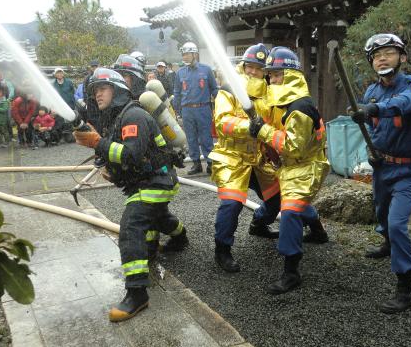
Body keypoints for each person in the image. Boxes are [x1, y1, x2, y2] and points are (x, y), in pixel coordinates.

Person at [73, 68, 188, 322]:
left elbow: (131, 155)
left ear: (117, 91)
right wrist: (110, 168)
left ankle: (137, 294)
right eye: (94, 91)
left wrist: (95, 142)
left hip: (156, 181)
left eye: (102, 89)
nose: (97, 94)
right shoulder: (118, 118)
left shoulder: (133, 115)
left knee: (131, 226)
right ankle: (179, 237)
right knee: (155, 216)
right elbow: (122, 156)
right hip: (146, 181)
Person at [350, 33, 411, 314]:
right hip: (382, 166)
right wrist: (372, 148)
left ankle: (405, 288)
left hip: (408, 169)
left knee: (397, 223)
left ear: (403, 57)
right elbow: (373, 126)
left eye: (388, 52)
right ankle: (388, 244)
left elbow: (404, 104)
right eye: (376, 55)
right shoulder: (371, 92)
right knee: (382, 214)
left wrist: (373, 109)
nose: (382, 58)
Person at [248, 47, 330, 294]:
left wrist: (262, 131)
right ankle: (318, 232)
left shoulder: (300, 108)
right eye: (270, 75)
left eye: (276, 75)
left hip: (306, 166)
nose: (271, 80)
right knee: (295, 203)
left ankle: (291, 271)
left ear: (290, 75)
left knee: (291, 211)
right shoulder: (283, 101)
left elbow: (293, 146)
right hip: (291, 165)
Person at [209, 44, 281, 272]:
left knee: (276, 199)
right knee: (232, 204)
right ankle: (222, 250)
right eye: (249, 67)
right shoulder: (228, 90)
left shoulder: (270, 95)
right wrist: (249, 126)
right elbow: (222, 122)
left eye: (258, 69)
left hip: (259, 158)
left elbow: (277, 123)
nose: (252, 72)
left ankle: (259, 224)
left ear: (266, 71)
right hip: (232, 157)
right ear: (243, 66)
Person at [172, 42, 218, 175]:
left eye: (187, 54)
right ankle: (196, 164)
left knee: (206, 137)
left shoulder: (206, 70)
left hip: (203, 108)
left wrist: (221, 105)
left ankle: (210, 163)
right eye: (183, 54)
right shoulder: (180, 73)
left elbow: (214, 89)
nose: (184, 57)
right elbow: (177, 92)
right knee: (191, 138)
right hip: (187, 110)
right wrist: (178, 110)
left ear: (194, 54)